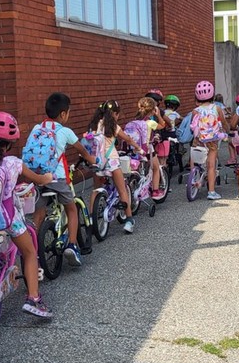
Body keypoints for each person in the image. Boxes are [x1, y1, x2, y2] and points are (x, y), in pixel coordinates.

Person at [0, 111, 54, 319]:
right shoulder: (14, 163)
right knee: (30, 252)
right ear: (10, 142)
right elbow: (38, 179)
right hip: (7, 219)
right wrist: (47, 177)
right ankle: (33, 299)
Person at [27, 92, 96, 267]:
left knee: (39, 213)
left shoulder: (37, 128)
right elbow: (82, 150)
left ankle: (31, 249)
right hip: (58, 178)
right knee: (72, 209)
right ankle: (72, 245)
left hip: (38, 178)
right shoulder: (65, 131)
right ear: (64, 114)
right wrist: (92, 160)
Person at [86, 100, 143, 234]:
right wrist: (138, 148)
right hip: (111, 161)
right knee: (122, 189)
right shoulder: (113, 127)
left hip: (97, 162)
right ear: (115, 114)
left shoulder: (93, 125)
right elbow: (128, 139)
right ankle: (129, 220)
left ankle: (91, 217)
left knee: (96, 189)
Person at [190, 80, 228, 200]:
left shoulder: (195, 110)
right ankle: (211, 192)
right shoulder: (216, 108)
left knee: (195, 158)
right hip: (212, 140)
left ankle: (194, 175)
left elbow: (193, 125)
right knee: (211, 165)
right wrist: (228, 130)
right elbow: (223, 122)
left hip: (200, 139)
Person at [125, 97, 166, 199]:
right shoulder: (150, 122)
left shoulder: (134, 121)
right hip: (147, 150)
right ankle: (155, 191)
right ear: (152, 110)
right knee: (156, 168)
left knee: (139, 169)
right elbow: (163, 125)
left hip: (135, 150)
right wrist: (158, 115)